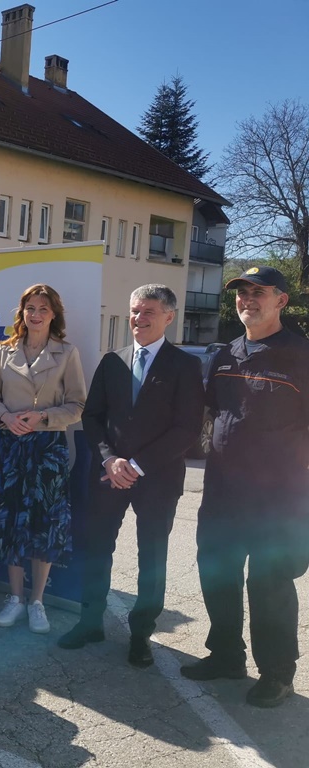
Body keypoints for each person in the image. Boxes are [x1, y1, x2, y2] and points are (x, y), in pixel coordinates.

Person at [180, 266, 309, 708]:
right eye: (242, 292)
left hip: (277, 497)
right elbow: (211, 412)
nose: (247, 299)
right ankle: (226, 655)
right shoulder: (225, 355)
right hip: (222, 491)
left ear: (281, 301)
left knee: (269, 583)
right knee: (218, 572)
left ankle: (277, 673)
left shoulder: (300, 355)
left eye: (259, 292)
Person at [58, 284, 203, 667]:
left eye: (148, 312)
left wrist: (136, 465)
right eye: (135, 311)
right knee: (96, 548)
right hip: (109, 476)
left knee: (151, 557)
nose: (139, 319)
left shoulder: (185, 366)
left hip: (158, 479)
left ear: (169, 317)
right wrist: (109, 460)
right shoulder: (113, 361)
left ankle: (141, 634)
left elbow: (188, 428)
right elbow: (92, 417)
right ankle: (91, 622)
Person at [0, 284, 87, 634]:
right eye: (30, 307)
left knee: (44, 524)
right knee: (11, 521)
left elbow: (77, 405)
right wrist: (5, 418)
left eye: (43, 308)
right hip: (10, 445)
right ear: (22, 312)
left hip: (47, 448)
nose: (36, 314)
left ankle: (37, 601)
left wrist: (43, 417)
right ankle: (14, 598)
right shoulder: (3, 351)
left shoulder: (67, 353)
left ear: (54, 314)